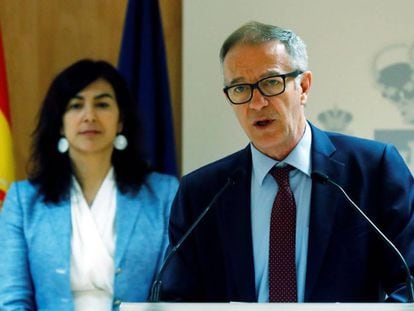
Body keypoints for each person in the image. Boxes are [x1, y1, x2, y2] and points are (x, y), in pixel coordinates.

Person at [161, 21, 414, 302]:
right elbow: (176, 299)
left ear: (303, 86)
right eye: (240, 88)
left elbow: (410, 282)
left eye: (270, 83)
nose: (256, 103)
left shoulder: (373, 169)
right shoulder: (201, 193)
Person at [0, 59, 179, 310]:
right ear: (60, 124)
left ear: (120, 121)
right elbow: (13, 300)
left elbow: (173, 293)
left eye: (102, 104)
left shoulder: (164, 194)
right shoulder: (22, 201)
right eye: (75, 105)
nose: (89, 116)